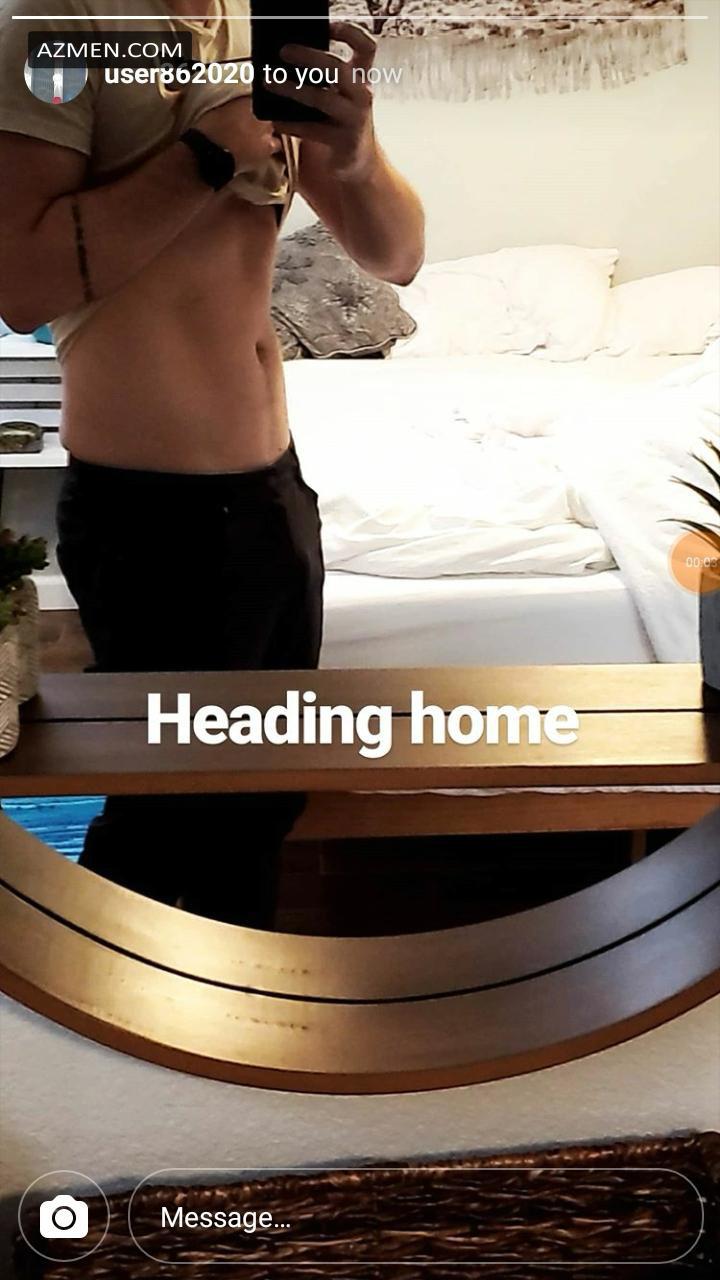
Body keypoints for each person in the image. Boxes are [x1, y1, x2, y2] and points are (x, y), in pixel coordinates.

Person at [0, 0, 424, 925]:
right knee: (164, 815)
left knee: (262, 801)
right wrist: (206, 153)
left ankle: (240, 1006)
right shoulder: (63, 26)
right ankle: (85, 1005)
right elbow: (20, 284)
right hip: (151, 509)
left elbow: (396, 257)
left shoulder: (253, 23)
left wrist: (354, 149)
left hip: (273, 490)